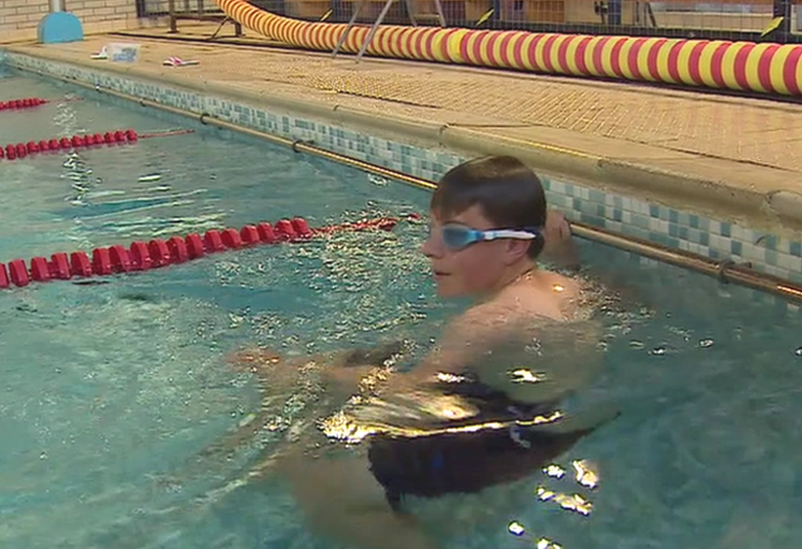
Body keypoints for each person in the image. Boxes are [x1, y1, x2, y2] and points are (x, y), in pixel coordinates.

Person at [221, 155, 617, 549]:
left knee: (310, 465)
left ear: (514, 245)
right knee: (358, 361)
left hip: (506, 439)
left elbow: (409, 392)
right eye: (432, 231)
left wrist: (300, 370)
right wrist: (564, 256)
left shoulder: (487, 321)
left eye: (456, 237)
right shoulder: (568, 289)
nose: (429, 248)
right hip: (550, 419)